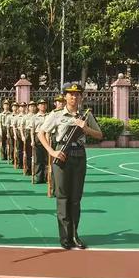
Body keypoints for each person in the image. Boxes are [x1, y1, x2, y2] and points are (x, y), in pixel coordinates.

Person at [38, 82, 102, 250]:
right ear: (65, 96)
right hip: (62, 155)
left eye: (77, 94)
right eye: (70, 94)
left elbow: (100, 134)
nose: (74, 97)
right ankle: (65, 237)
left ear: (80, 97)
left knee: (76, 199)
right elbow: (41, 132)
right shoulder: (57, 114)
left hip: (79, 156)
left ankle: (75, 235)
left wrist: (86, 128)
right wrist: (51, 151)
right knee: (63, 197)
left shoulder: (85, 115)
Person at [31, 99, 48, 184]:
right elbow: (32, 130)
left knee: (47, 158)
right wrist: (32, 140)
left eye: (44, 104)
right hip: (37, 137)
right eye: (41, 104)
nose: (43, 106)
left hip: (47, 137)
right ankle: (38, 177)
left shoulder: (49, 116)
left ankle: (46, 176)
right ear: (38, 106)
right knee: (38, 158)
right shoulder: (34, 117)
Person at [20, 101, 37, 176]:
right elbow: (21, 127)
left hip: (36, 133)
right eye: (31, 106)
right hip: (27, 133)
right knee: (28, 152)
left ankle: (35, 170)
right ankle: (28, 169)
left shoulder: (37, 116)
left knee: (35, 153)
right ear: (28, 107)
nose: (32, 108)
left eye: (33, 106)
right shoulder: (25, 117)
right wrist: (23, 136)